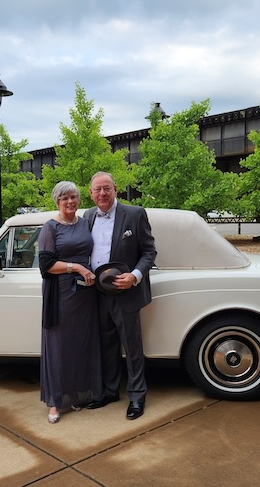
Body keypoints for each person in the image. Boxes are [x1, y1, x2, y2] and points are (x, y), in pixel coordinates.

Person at [84, 172, 157, 420]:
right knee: (106, 346)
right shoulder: (88, 216)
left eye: (106, 188)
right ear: (91, 193)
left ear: (115, 189)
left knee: (132, 346)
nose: (102, 193)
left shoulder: (135, 214)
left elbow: (149, 251)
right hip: (97, 293)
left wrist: (134, 276)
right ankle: (109, 391)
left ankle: (137, 397)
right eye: (97, 190)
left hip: (126, 292)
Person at [38, 181, 101, 424]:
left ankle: (74, 394)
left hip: (85, 294)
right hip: (61, 294)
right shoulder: (50, 228)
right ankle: (55, 401)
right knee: (58, 346)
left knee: (80, 344)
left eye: (73, 197)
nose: (70, 202)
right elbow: (46, 266)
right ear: (57, 201)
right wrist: (76, 267)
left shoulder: (85, 222)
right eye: (65, 198)